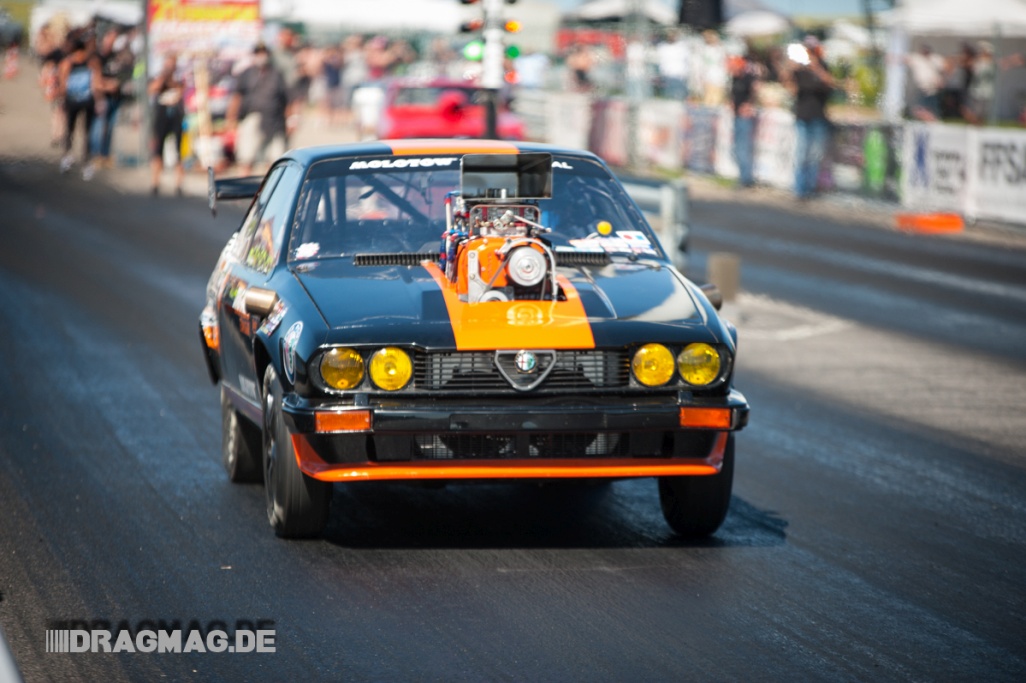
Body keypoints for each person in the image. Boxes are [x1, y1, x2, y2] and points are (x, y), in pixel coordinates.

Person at [783, 36, 835, 200]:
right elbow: (790, 88)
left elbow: (830, 82)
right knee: (802, 154)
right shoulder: (799, 69)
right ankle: (800, 189)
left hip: (818, 116)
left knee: (815, 155)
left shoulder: (822, 66)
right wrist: (790, 68)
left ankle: (811, 187)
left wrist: (816, 67)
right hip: (803, 116)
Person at [227, 43, 290, 175]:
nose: (261, 56)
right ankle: (245, 181)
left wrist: (290, 119)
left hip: (274, 119)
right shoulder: (247, 73)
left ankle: (270, 185)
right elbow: (237, 96)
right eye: (258, 53)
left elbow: (286, 98)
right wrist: (231, 116)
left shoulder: (277, 74)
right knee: (246, 155)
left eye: (264, 53)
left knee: (274, 157)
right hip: (252, 116)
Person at [57, 31, 102, 179]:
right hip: (78, 100)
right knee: (76, 130)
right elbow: (64, 83)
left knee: (79, 131)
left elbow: (95, 82)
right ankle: (72, 158)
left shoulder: (85, 62)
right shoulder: (72, 63)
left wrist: (98, 99)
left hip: (81, 100)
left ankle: (78, 160)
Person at [90, 28, 135, 167]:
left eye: (115, 39)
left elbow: (126, 72)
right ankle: (95, 154)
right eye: (111, 38)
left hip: (116, 96)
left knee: (110, 127)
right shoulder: (98, 57)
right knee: (98, 126)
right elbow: (95, 80)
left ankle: (105, 155)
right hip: (102, 97)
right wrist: (107, 86)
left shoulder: (118, 56)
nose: (113, 42)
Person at [148, 51, 185, 196]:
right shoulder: (158, 77)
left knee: (178, 151)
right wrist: (163, 78)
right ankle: (155, 183)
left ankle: (178, 184)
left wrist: (171, 81)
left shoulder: (179, 78)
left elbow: (180, 92)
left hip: (175, 116)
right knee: (158, 150)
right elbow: (152, 89)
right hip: (161, 116)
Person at [729, 51, 760, 188]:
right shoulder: (735, 78)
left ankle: (745, 179)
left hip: (745, 118)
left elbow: (755, 91)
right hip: (737, 116)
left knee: (743, 148)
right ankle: (742, 177)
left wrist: (749, 105)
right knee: (737, 148)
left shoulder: (748, 78)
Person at [905, 44, 945, 121]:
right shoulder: (917, 58)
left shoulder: (935, 59)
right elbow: (904, 59)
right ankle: (932, 121)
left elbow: (946, 67)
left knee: (922, 108)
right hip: (922, 87)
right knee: (919, 108)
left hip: (931, 87)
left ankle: (933, 121)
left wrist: (942, 80)